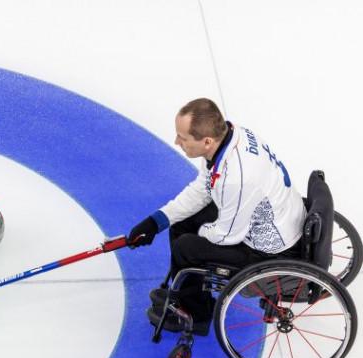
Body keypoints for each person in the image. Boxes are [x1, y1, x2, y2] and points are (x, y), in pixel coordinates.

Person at [128, 98, 307, 334]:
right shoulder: (230, 138)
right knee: (182, 224)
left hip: (270, 248)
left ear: (206, 141)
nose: (176, 142)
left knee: (186, 247)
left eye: (183, 138)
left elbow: (226, 236)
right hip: (276, 215)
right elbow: (202, 189)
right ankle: (186, 294)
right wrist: (157, 221)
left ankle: (196, 315)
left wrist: (201, 232)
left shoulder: (237, 178)